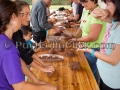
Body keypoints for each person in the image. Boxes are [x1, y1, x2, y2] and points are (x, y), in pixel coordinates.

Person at [0, 0, 57, 90]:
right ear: (14, 17)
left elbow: (19, 60)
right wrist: (47, 87)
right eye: (22, 15)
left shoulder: (5, 39)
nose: (29, 18)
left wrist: (36, 79)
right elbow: (20, 87)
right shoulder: (9, 50)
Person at [78, 0, 120, 90]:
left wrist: (90, 50)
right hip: (105, 76)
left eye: (108, 4)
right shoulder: (115, 22)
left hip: (113, 82)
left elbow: (114, 60)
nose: (105, 7)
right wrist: (105, 11)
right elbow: (99, 16)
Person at [12, 1, 55, 75]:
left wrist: (43, 64)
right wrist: (42, 68)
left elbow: (28, 50)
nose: (29, 18)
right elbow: (25, 55)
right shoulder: (11, 35)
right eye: (26, 14)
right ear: (14, 15)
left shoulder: (18, 32)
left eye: (29, 14)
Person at [70, 0, 106, 82]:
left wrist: (76, 39)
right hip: (85, 47)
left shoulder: (97, 13)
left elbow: (93, 37)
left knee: (91, 73)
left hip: (94, 48)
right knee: (86, 72)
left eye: (85, 1)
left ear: (94, 0)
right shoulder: (87, 11)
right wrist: (73, 37)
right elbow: (81, 28)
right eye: (82, 2)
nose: (82, 5)